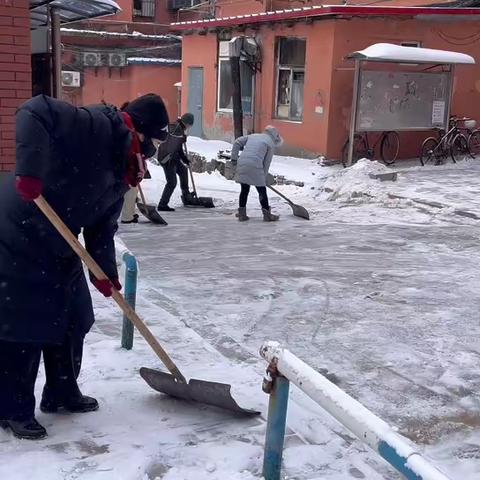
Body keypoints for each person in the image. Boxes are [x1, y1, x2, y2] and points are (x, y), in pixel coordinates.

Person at [0, 93, 169, 440]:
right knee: (25, 329)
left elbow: (102, 226)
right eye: (152, 139)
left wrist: (104, 273)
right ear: (138, 129)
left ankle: (62, 392)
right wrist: (30, 172)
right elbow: (34, 110)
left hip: (59, 240)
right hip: (16, 232)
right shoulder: (94, 125)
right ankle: (12, 409)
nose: (152, 149)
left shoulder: (125, 168)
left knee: (75, 318)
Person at [230, 126, 283, 222]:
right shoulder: (270, 143)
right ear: (274, 137)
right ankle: (267, 215)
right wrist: (264, 176)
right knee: (261, 190)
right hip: (255, 165)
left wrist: (234, 158)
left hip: (242, 163)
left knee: (244, 189)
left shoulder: (253, 136)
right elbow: (266, 163)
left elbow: (237, 142)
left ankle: (242, 214)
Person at [157, 112, 195, 211]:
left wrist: (185, 160)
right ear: (187, 123)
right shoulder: (176, 128)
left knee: (183, 171)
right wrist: (181, 138)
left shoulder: (178, 128)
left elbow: (178, 148)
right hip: (167, 159)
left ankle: (186, 195)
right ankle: (162, 204)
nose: (189, 127)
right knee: (172, 182)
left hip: (173, 158)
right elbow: (172, 145)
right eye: (190, 125)